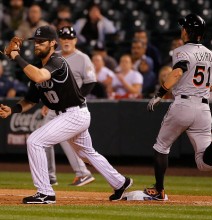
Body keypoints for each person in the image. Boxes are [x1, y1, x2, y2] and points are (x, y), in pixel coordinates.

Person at [0, 25, 133, 204]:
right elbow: (30, 100)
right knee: (86, 154)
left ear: (53, 43)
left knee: (35, 141)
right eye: (35, 42)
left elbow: (39, 77)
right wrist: (13, 109)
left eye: (41, 42)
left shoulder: (58, 61)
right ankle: (120, 182)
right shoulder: (41, 67)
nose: (37, 45)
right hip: (72, 115)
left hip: (74, 114)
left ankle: (45, 193)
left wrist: (16, 56)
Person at [145, 14, 212, 201]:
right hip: (204, 109)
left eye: (183, 27)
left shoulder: (181, 51)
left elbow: (178, 72)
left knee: (161, 147)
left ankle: (159, 190)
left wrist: (159, 94)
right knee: (205, 164)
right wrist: (200, 87)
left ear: (186, 31)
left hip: (183, 104)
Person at [42, 26, 96, 186]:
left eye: (70, 38)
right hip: (55, 106)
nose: (66, 41)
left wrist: (75, 98)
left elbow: (91, 82)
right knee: (42, 137)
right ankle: (50, 175)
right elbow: (47, 82)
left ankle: (82, 173)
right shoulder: (54, 57)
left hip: (72, 108)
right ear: (58, 41)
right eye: (63, 38)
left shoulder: (82, 58)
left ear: (75, 40)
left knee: (66, 139)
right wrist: (46, 103)